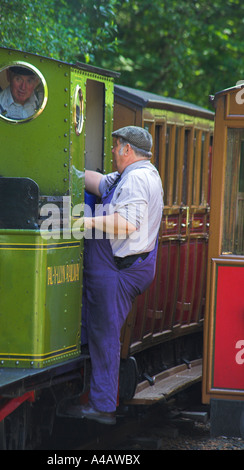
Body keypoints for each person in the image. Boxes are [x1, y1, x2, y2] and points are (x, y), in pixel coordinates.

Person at [69, 125, 164, 425]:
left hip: (120, 268)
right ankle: (99, 397)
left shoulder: (136, 180)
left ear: (126, 149)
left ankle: (103, 406)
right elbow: (98, 183)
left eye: (115, 146)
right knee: (101, 331)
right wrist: (69, 171)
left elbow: (127, 224)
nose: (111, 151)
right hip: (122, 263)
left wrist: (83, 222)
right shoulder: (134, 173)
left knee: (105, 335)